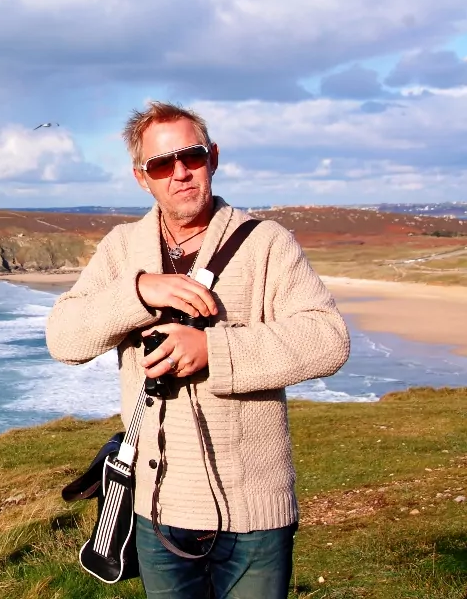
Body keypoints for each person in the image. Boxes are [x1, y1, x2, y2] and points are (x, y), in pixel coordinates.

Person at [45, 101, 351, 598]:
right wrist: (140, 293)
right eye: (162, 165)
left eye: (191, 157)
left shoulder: (266, 244)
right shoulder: (122, 249)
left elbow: (327, 339)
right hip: (157, 511)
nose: (180, 174)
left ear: (213, 156)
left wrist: (214, 350)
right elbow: (64, 338)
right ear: (142, 178)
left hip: (255, 515)